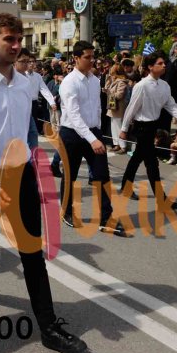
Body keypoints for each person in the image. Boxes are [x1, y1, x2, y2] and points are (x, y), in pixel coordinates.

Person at [0, 12, 88, 353]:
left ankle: (49, 328)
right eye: (8, 39)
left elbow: (25, 133)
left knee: (32, 253)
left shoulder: (26, 84)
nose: (15, 46)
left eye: (19, 40)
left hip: (22, 175)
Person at [58, 41, 126, 236]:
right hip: (71, 134)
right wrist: (92, 138)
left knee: (102, 175)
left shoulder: (95, 80)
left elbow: (97, 107)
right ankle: (66, 211)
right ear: (76, 58)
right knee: (70, 175)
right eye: (87, 57)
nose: (91, 60)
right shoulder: (69, 82)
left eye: (92, 56)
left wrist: (97, 132)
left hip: (93, 132)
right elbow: (74, 115)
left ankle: (106, 218)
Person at [119, 52, 177, 208]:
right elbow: (132, 108)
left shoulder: (164, 86)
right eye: (160, 63)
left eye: (164, 63)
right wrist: (124, 129)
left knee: (137, 158)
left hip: (152, 126)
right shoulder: (142, 86)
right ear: (150, 67)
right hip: (142, 127)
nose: (164, 65)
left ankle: (126, 187)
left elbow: (171, 105)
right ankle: (162, 200)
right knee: (152, 163)